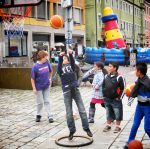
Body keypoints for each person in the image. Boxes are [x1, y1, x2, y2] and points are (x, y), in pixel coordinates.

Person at [57, 49, 93, 140]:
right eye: (63, 59)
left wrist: (70, 54)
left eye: (66, 59)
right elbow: (58, 69)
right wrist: (61, 57)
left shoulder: (72, 67)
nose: (65, 60)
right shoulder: (60, 70)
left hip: (75, 90)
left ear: (68, 60)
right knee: (69, 113)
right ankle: (72, 131)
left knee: (82, 110)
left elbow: (73, 63)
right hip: (66, 92)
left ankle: (86, 128)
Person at [124, 63, 150, 149]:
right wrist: (129, 94)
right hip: (139, 107)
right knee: (135, 125)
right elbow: (134, 90)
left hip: (148, 107)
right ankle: (129, 142)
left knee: (147, 128)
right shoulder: (139, 80)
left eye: (136, 70)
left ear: (139, 72)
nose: (135, 71)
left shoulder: (148, 83)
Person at [31, 50, 54, 123]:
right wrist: (34, 88)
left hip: (46, 85)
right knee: (40, 102)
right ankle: (38, 115)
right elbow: (32, 79)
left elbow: (51, 71)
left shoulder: (47, 62)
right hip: (38, 87)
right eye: (46, 56)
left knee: (47, 101)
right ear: (42, 57)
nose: (47, 58)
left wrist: (50, 78)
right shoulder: (35, 66)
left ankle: (50, 116)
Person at [103, 62, 125, 133]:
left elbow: (123, 89)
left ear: (115, 68)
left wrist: (119, 98)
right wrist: (104, 95)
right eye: (108, 66)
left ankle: (118, 126)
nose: (108, 68)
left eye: (110, 66)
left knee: (117, 112)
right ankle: (108, 125)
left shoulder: (119, 77)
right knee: (108, 112)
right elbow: (103, 86)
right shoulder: (106, 76)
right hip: (107, 98)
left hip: (116, 99)